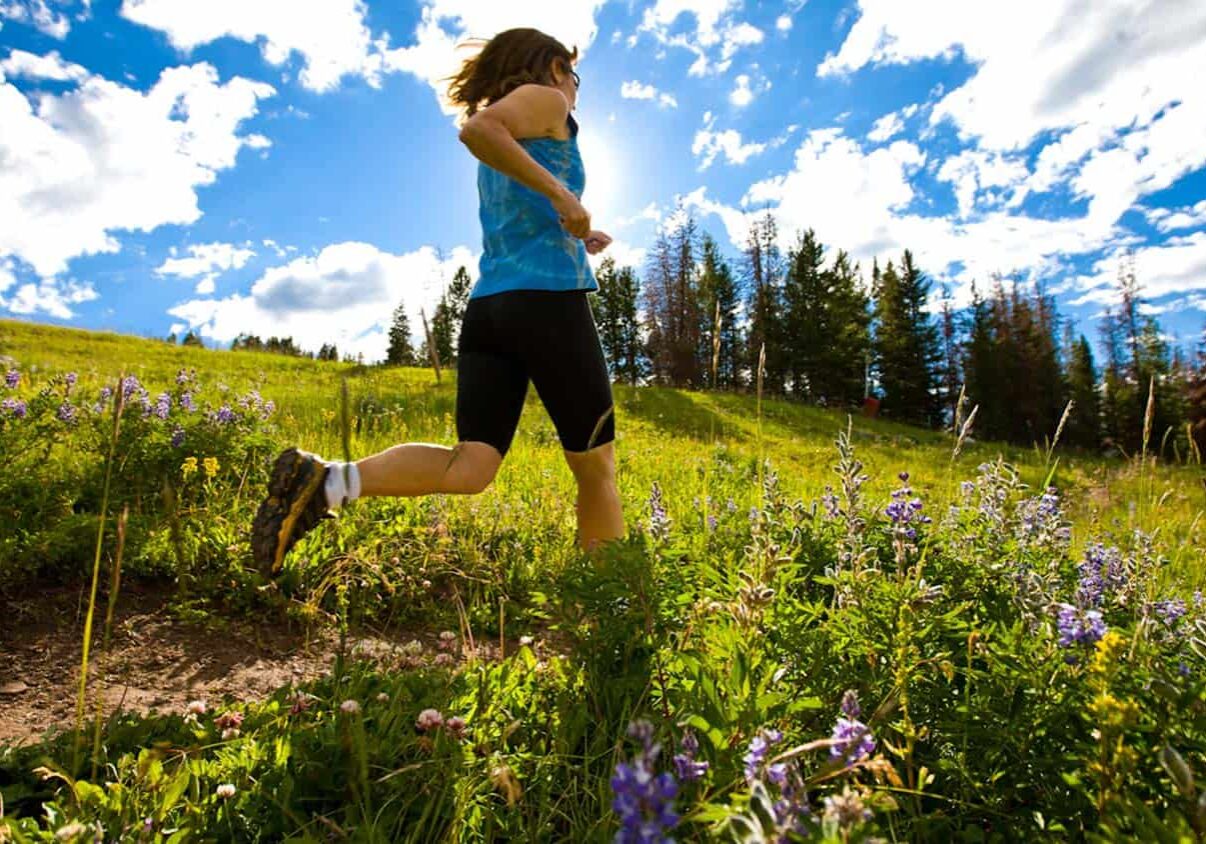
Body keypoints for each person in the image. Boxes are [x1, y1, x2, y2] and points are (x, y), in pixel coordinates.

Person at [252, 27, 624, 576]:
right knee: (596, 466)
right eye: (574, 75)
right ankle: (611, 602)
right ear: (550, 69)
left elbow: (508, 183)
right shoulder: (545, 102)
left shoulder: (517, 124)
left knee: (470, 466)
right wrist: (565, 196)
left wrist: (572, 227)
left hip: (492, 311)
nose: (575, 88)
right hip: (545, 304)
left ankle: (330, 481)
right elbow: (477, 129)